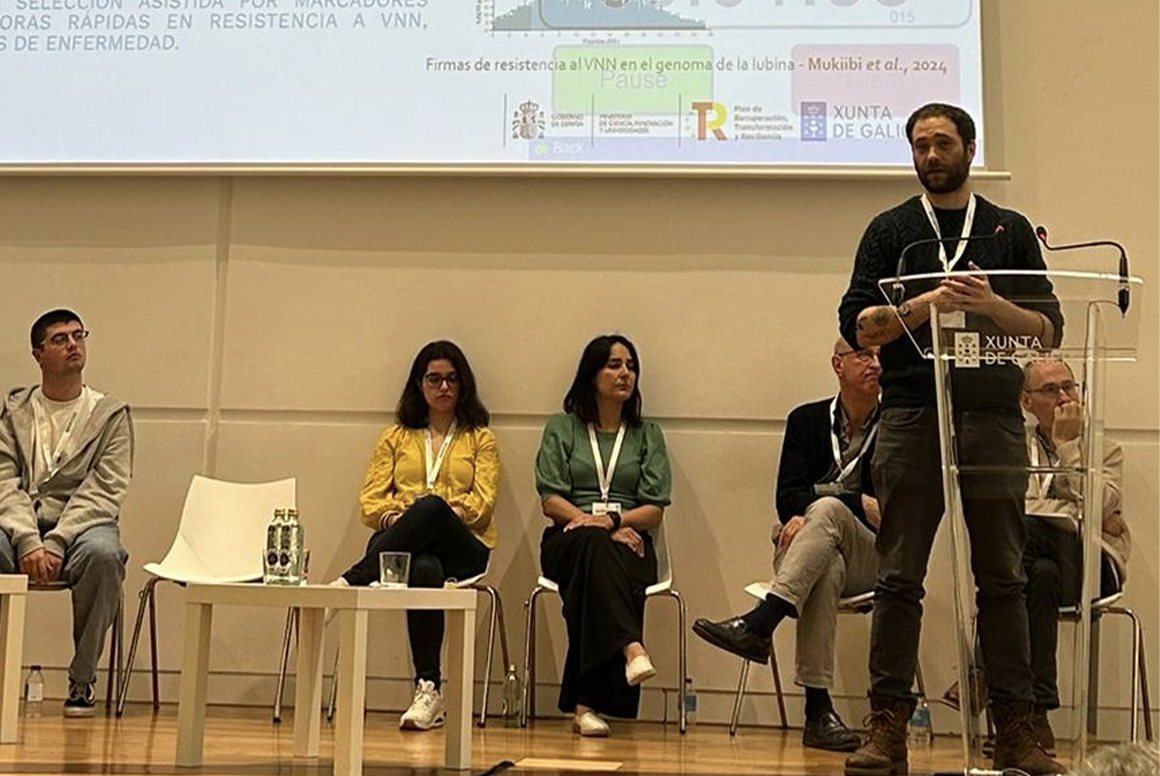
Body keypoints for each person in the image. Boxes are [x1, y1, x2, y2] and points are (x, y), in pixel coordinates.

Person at [837, 103, 1067, 776]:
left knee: (1003, 576)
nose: (931, 155)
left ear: (969, 147)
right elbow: (858, 324)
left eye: (942, 143)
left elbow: (1048, 328)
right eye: (920, 145)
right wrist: (926, 305)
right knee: (898, 576)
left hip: (992, 415)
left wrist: (990, 304)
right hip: (912, 413)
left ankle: (1016, 728)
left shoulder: (1008, 229)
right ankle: (888, 727)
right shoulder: (891, 231)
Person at [693, 339, 882, 752]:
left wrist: (820, 506)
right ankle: (818, 715)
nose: (876, 364)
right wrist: (847, 502)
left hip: (870, 555)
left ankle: (761, 623)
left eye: (880, 356)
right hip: (807, 547)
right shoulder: (806, 420)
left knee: (827, 511)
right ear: (837, 364)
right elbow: (786, 498)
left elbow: (889, 510)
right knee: (826, 564)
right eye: (865, 355)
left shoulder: (897, 426)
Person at [333, 340, 499, 731]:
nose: (444, 387)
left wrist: (442, 513)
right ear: (419, 385)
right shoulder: (395, 437)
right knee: (424, 568)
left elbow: (483, 501)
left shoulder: (480, 438)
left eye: (452, 379)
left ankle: (352, 580)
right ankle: (428, 690)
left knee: (431, 508)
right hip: (407, 548)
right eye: (434, 379)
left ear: (463, 385)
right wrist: (397, 519)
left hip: (465, 547)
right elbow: (370, 501)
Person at [534, 334, 672, 737]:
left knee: (593, 575)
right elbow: (550, 499)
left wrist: (611, 522)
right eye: (614, 365)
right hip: (567, 538)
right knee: (592, 548)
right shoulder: (562, 428)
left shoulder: (647, 434)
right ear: (592, 374)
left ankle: (584, 707)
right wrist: (592, 524)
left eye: (631, 366)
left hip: (629, 541)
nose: (625, 373)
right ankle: (631, 647)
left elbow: (654, 508)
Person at [0, 308, 133, 717]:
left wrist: (57, 541)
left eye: (78, 335)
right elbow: (4, 481)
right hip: (20, 523)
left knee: (105, 555)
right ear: (38, 355)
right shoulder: (15, 412)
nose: (73, 344)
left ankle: (82, 677)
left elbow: (105, 489)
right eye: (60, 339)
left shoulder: (109, 415)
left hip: (82, 527)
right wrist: (27, 538)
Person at [1020, 357, 1127, 754]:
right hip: (1042, 568)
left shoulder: (1105, 450)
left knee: (1025, 534)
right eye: (1050, 390)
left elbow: (1095, 506)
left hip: (1091, 568)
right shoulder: (1014, 447)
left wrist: (1068, 447)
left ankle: (982, 669)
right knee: (1040, 574)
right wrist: (1076, 511)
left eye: (1069, 387)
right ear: (1027, 402)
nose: (1065, 397)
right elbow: (1014, 510)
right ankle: (1037, 714)